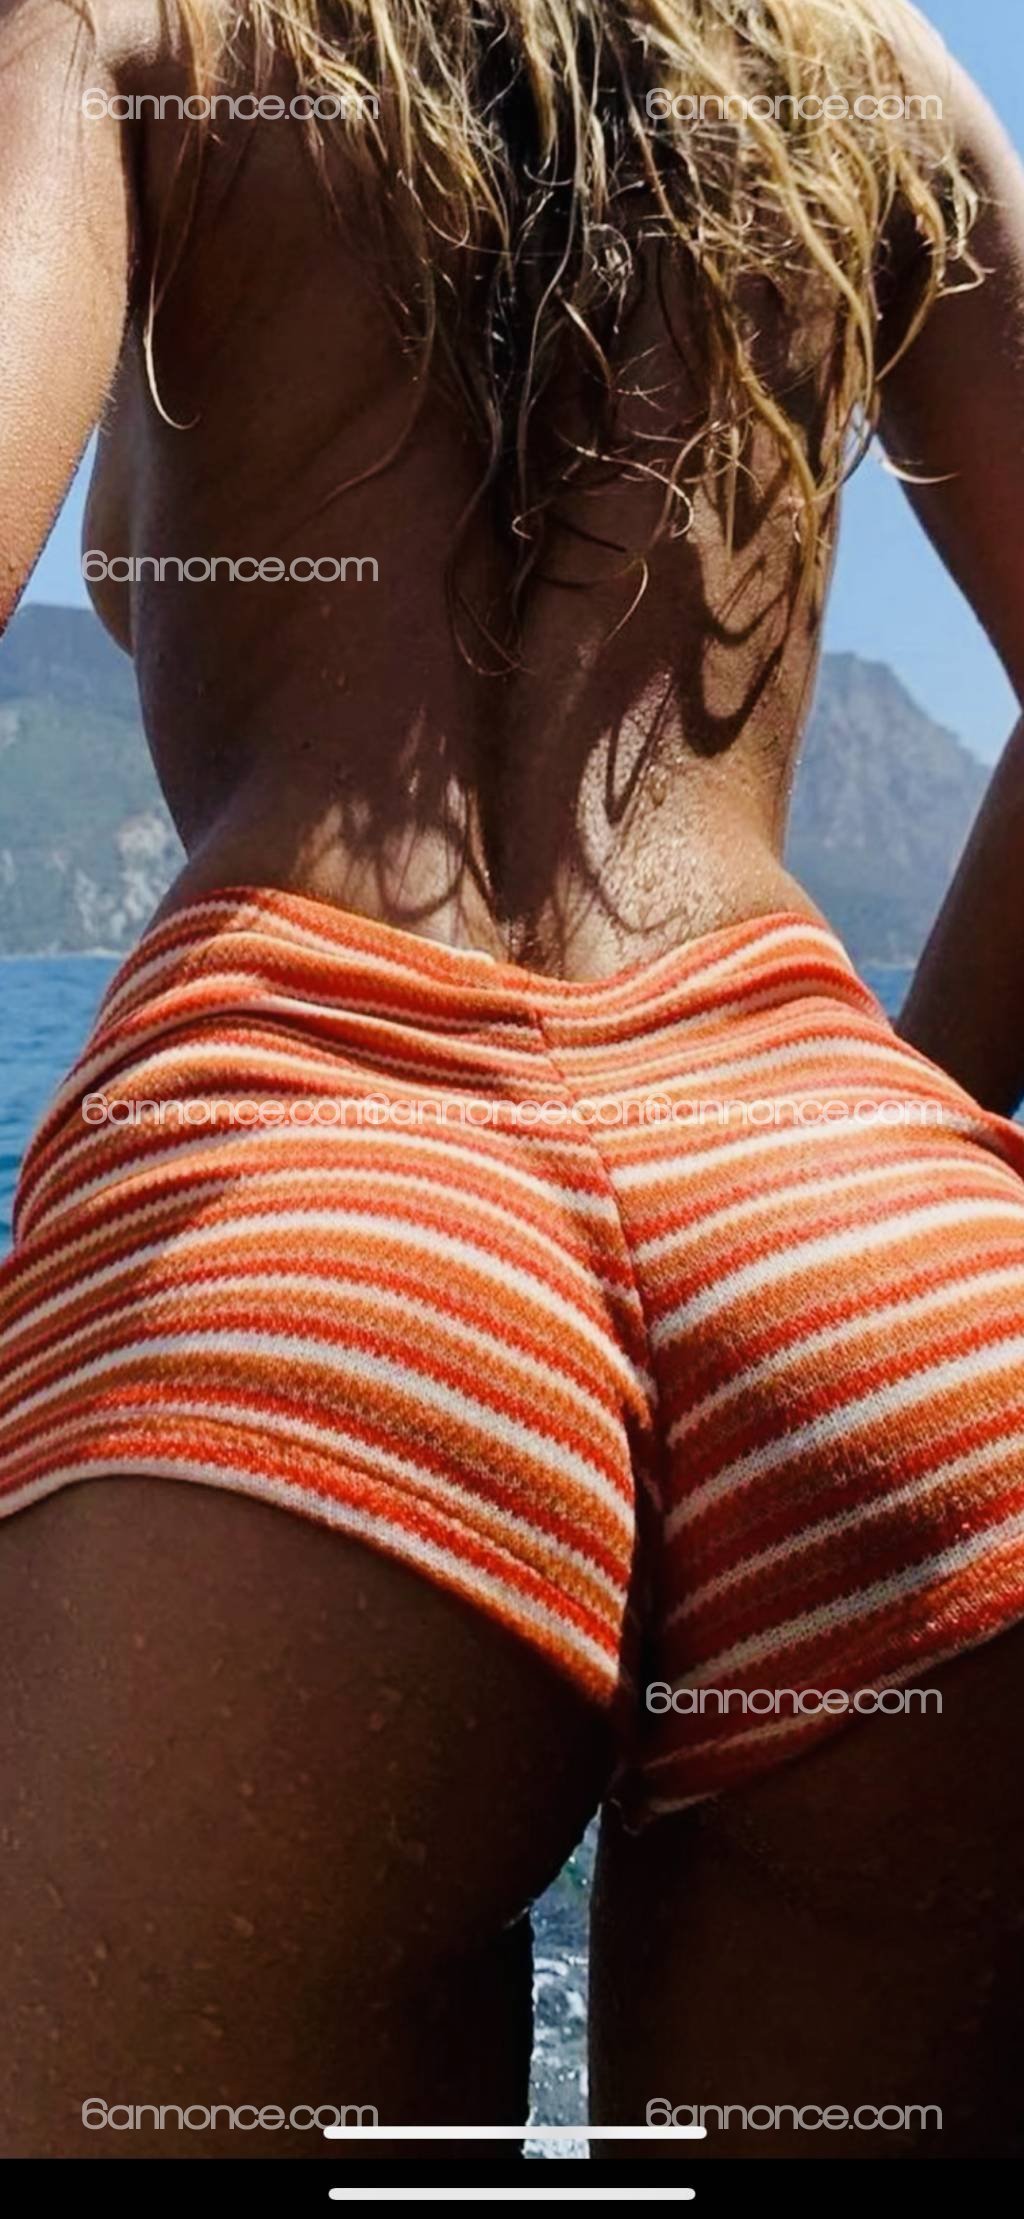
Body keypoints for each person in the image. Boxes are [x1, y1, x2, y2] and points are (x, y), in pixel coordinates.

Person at [1, 0, 1024, 2162]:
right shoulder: (873, 74)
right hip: (891, 1263)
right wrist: (882, 1135)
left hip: (310, 1234)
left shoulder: (142, 34)